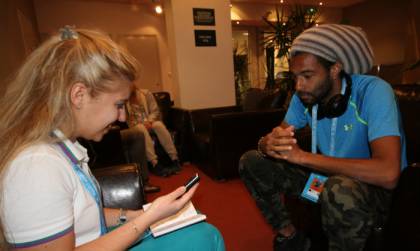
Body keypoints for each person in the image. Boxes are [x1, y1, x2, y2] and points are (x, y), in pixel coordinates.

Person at [0, 26, 225, 251]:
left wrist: (136, 215)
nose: (122, 116)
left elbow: (83, 216)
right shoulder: (34, 167)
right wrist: (147, 219)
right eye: (118, 105)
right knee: (206, 238)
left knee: (200, 232)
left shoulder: (60, 147)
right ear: (79, 95)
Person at [239, 24, 407, 251]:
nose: (299, 86)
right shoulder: (305, 96)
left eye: (307, 75)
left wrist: (302, 158)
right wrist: (266, 143)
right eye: (295, 77)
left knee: (339, 188)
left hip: (373, 190)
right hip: (325, 182)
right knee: (252, 161)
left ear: (335, 69)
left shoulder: (374, 92)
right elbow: (280, 137)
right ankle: (291, 237)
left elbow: (388, 173)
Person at [126, 88, 181, 177]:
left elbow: (155, 111)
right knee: (141, 129)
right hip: (135, 126)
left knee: (158, 125)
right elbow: (126, 119)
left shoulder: (145, 93)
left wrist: (149, 121)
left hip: (149, 121)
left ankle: (174, 159)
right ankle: (155, 163)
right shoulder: (123, 97)